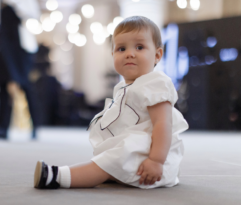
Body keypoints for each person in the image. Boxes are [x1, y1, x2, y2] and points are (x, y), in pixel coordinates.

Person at [34, 16, 189, 189]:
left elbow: (163, 124)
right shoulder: (124, 86)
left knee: (108, 163)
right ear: (113, 54)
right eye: (121, 48)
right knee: (107, 161)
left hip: (149, 160)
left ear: (157, 55)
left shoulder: (155, 83)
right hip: (134, 150)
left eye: (139, 47)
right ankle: (109, 171)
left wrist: (156, 161)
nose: (130, 53)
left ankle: (57, 177)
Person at [0, 0, 41, 140]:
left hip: (19, 47)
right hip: (3, 45)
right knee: (2, 85)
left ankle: (35, 127)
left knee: (25, 86)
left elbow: (33, 15)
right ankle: (2, 129)